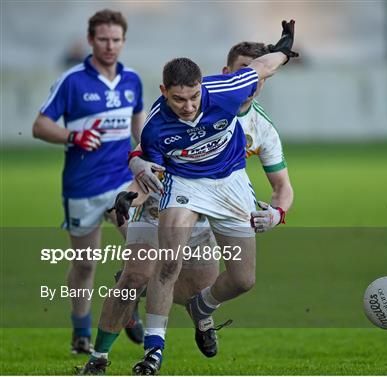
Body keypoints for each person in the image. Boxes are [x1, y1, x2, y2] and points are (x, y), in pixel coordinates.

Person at [79, 40, 294, 375]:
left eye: (194, 98)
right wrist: (129, 192)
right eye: (179, 99)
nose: (189, 107)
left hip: (229, 187)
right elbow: (144, 158)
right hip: (178, 185)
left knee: (239, 280)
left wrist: (284, 50)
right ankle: (135, 355)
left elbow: (265, 67)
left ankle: (199, 308)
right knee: (152, 269)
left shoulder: (246, 107)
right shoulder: (163, 119)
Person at [32, 9, 146, 354]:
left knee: (142, 251)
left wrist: (146, 160)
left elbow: (138, 128)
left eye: (116, 40)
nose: (110, 46)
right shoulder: (72, 81)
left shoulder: (132, 80)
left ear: (123, 41)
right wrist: (73, 136)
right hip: (82, 187)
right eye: (103, 39)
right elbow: (40, 125)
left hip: (121, 182)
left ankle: (127, 309)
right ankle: (81, 330)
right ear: (90, 40)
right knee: (84, 263)